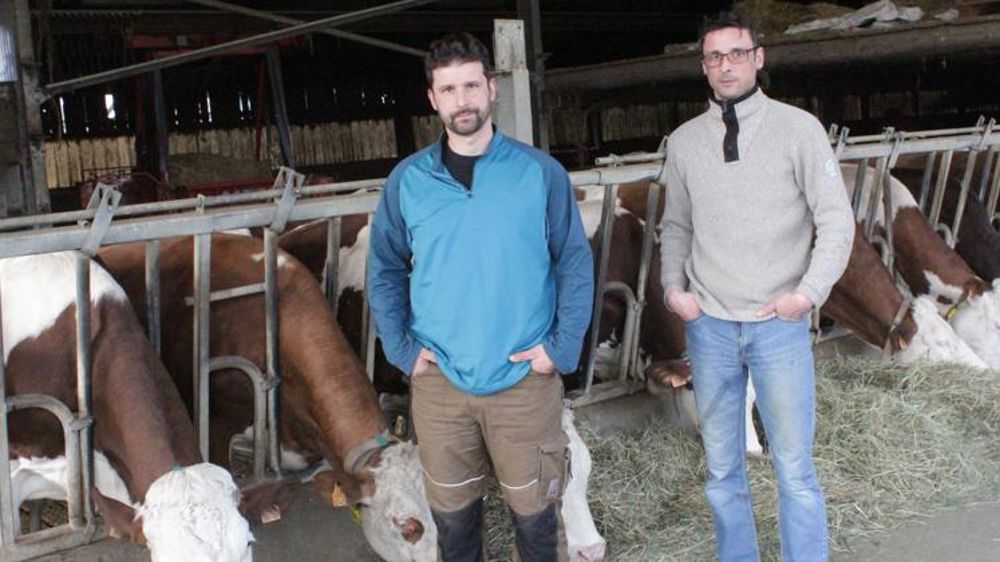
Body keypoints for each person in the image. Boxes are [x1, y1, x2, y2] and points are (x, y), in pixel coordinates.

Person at [367, 32, 593, 562]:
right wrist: (402, 349)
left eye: (471, 85)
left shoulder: (538, 173)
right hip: (441, 383)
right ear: (432, 98)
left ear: (492, 88)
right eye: (449, 89)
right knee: (455, 525)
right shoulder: (408, 181)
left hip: (523, 380)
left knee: (537, 521)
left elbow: (575, 262)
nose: (462, 100)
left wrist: (559, 349)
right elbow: (384, 269)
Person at [659, 11, 855, 562]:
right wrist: (675, 289)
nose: (727, 65)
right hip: (711, 328)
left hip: (780, 325)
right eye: (715, 57)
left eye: (737, 53)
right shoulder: (684, 142)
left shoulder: (799, 130)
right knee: (722, 470)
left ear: (759, 58)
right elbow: (675, 225)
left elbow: (837, 221)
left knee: (793, 468)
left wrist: (808, 294)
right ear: (703, 67)